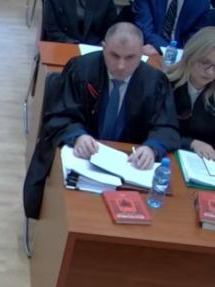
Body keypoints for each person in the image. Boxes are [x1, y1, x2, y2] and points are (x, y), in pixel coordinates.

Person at [23, 22, 179, 219]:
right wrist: (77, 136)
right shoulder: (81, 69)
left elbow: (167, 127)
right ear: (103, 47)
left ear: (142, 53)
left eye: (130, 58)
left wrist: (152, 147)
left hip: (129, 168)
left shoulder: (155, 82)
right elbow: (59, 115)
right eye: (114, 55)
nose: (121, 65)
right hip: (83, 161)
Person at [167, 26, 215, 160]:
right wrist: (191, 143)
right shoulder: (165, 84)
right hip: (166, 155)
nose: (210, 72)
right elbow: (153, 131)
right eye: (205, 63)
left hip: (204, 164)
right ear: (190, 56)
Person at [133, 0, 210, 55]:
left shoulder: (201, 3)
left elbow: (195, 37)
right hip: (149, 48)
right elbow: (145, 29)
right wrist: (166, 49)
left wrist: (174, 53)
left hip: (180, 56)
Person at [42, 0, 117, 45]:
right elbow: (52, 29)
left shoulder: (106, 2)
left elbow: (112, 30)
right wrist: (70, 42)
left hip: (95, 49)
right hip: (63, 45)